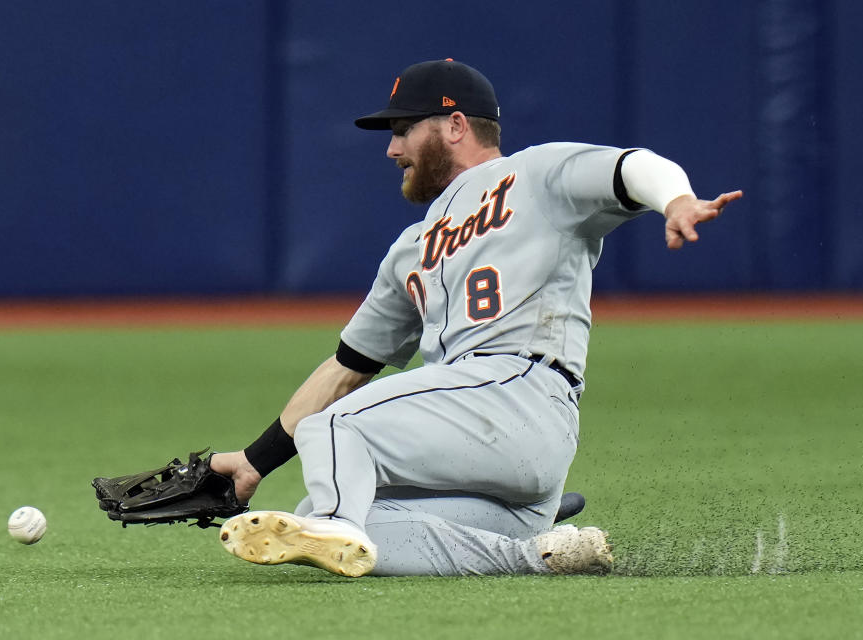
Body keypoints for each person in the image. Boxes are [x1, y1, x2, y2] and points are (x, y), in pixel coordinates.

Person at [209, 59, 742, 577]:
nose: (392, 148)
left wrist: (676, 200)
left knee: (337, 427)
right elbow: (347, 367)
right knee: (333, 510)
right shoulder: (412, 248)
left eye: (402, 129)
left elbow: (632, 166)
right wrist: (255, 461)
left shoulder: (532, 175)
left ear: (456, 125)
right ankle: (538, 553)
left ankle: (333, 522)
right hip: (487, 445)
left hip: (520, 391)